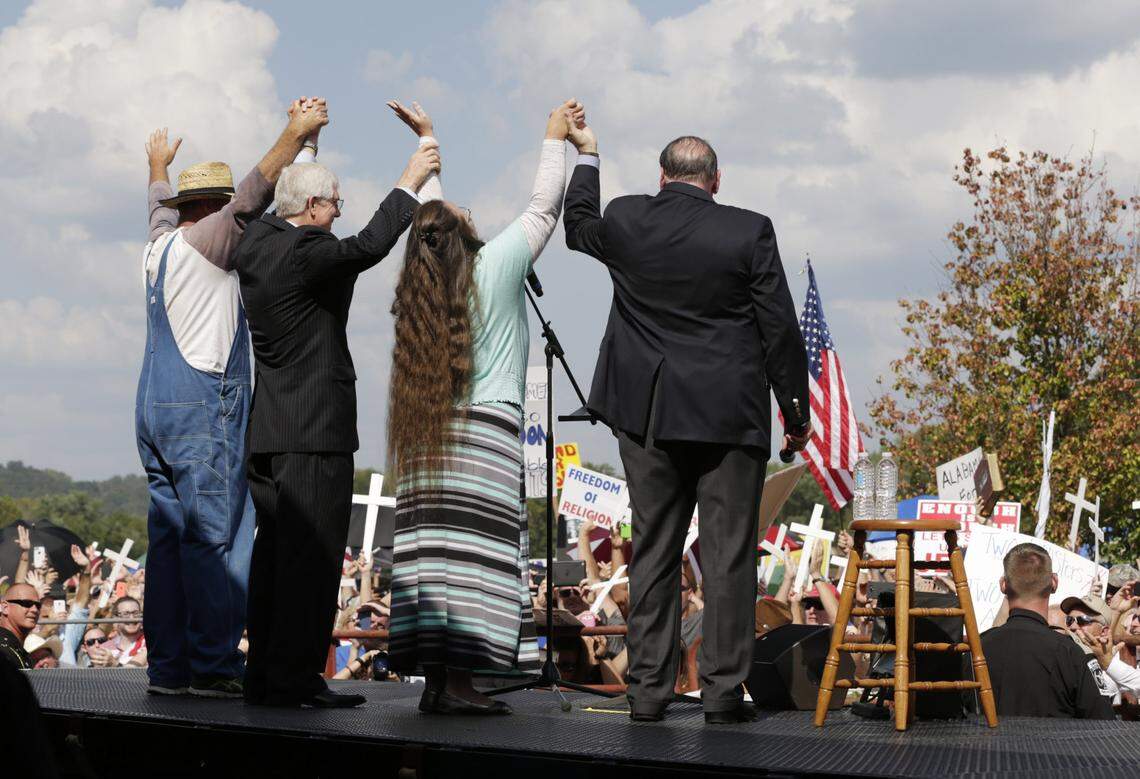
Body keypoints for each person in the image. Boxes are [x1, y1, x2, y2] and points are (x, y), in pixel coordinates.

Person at [563, 128, 811, 724]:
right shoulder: (747, 229)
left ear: (661, 176)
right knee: (728, 559)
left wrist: (587, 155)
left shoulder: (626, 219)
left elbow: (577, 226)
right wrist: (795, 414)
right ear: (716, 181)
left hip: (647, 416)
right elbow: (778, 326)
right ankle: (723, 695)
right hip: (728, 417)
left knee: (652, 551)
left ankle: (647, 691)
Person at [237, 106, 440, 710]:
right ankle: (296, 679)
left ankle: (264, 677)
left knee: (273, 559)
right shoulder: (309, 252)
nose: (337, 212)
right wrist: (411, 178)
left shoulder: (256, 243)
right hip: (315, 434)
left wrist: (308, 147)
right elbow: (370, 244)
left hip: (269, 431)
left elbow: (295, 205)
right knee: (313, 561)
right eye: (333, 203)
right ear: (312, 210)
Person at [386, 98, 581, 716]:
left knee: (439, 565)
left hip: (433, 438)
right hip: (488, 437)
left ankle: (441, 682)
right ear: (465, 235)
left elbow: (431, 218)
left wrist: (428, 140)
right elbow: (544, 206)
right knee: (475, 564)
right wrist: (557, 138)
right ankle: (463, 685)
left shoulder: (428, 282)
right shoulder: (495, 266)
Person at [135, 98, 329, 698]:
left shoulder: (160, 245)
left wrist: (157, 168)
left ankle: (170, 670)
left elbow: (155, 210)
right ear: (212, 210)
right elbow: (254, 194)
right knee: (214, 537)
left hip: (153, 405)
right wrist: (293, 136)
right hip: (201, 403)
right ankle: (214, 663)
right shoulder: (211, 238)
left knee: (168, 540)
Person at [980, 542, 1113, 719]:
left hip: (984, 747)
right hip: (1054, 747)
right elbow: (1104, 726)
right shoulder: (1072, 653)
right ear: (1054, 583)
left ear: (1004, 585)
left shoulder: (977, 649)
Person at [0, 583, 41, 669]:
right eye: (27, 603)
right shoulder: (3, 652)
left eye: (38, 605)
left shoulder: (17, 650)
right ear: (5, 608)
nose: (35, 610)